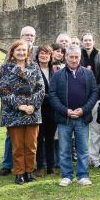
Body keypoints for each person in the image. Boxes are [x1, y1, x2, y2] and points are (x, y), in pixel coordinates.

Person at [49, 45, 99, 187]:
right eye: (71, 57)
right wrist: (65, 111)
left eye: (77, 57)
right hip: (64, 118)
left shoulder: (88, 74)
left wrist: (83, 110)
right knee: (64, 149)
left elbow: (94, 93)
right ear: (66, 57)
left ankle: (83, 175)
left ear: (80, 58)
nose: (74, 59)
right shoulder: (58, 75)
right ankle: (67, 175)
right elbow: (52, 95)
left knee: (83, 149)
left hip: (82, 118)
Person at [0, 39, 45, 185]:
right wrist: (20, 106)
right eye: (18, 50)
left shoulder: (34, 66)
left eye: (24, 50)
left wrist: (32, 105)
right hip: (14, 113)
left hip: (33, 112)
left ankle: (29, 171)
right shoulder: (5, 68)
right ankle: (19, 173)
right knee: (17, 146)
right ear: (12, 52)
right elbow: (3, 90)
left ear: (28, 52)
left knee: (31, 145)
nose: (21, 52)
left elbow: (41, 88)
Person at [80, 32, 100, 168]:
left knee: (96, 130)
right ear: (82, 42)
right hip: (81, 101)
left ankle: (94, 158)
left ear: (94, 41)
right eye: (85, 40)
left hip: (96, 99)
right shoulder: (78, 56)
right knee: (82, 130)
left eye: (90, 40)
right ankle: (83, 158)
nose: (88, 42)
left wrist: (96, 91)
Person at [35, 45, 57, 176]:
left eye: (47, 54)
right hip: (39, 109)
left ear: (50, 56)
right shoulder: (34, 69)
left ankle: (51, 166)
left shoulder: (55, 70)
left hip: (52, 110)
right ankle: (40, 166)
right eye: (41, 53)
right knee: (39, 138)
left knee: (50, 138)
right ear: (37, 55)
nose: (44, 56)